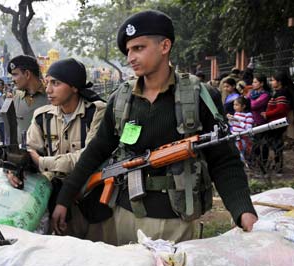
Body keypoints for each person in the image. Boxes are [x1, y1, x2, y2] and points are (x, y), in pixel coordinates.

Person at [53, 10, 258, 245]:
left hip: (174, 222)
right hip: (122, 215)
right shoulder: (121, 99)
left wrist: (242, 209)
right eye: (128, 50)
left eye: (139, 48)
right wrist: (65, 197)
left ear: (165, 46)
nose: (130, 57)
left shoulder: (199, 96)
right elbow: (97, 150)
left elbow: (223, 159)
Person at [7, 58, 115, 244]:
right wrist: (14, 167)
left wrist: (41, 162)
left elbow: (86, 158)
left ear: (74, 87)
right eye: (47, 82)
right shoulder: (43, 116)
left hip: (93, 200)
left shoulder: (97, 113)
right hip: (56, 199)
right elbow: (29, 149)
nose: (48, 89)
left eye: (55, 83)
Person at [7, 55, 48, 142]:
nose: (12, 80)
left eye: (15, 75)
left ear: (27, 74)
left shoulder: (51, 95)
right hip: (23, 152)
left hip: (47, 153)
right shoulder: (16, 96)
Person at [260, 71, 293, 175]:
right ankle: (276, 165)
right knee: (274, 144)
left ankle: (277, 167)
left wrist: (267, 114)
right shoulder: (279, 92)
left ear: (280, 82)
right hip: (275, 122)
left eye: (273, 80)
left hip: (276, 123)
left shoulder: (282, 93)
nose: (271, 82)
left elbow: (281, 109)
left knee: (275, 145)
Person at [227, 96, 253, 163]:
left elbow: (248, 128)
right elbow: (233, 125)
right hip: (234, 137)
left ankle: (244, 168)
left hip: (242, 139)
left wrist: (239, 121)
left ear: (243, 106)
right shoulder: (236, 113)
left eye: (237, 105)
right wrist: (230, 120)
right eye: (234, 105)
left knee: (240, 155)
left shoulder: (248, 115)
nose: (234, 107)